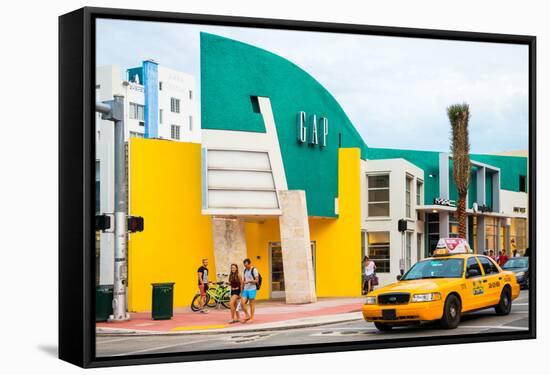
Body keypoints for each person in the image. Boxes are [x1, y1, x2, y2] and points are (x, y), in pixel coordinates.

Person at [240, 258, 259, 323]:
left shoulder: (254, 270)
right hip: (246, 289)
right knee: (242, 303)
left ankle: (252, 318)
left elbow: (257, 280)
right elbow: (243, 281)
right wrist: (241, 290)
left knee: (251, 304)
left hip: (252, 289)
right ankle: (247, 315)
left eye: (246, 265)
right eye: (244, 265)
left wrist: (249, 281)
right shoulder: (245, 270)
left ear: (250, 263)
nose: (246, 266)